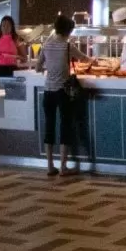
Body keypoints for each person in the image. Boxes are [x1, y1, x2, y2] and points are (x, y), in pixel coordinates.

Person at [39, 15, 82, 176]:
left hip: (48, 91)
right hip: (63, 91)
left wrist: (50, 67)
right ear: (68, 31)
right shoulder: (67, 46)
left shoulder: (46, 44)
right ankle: (63, 167)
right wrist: (93, 60)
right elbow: (84, 58)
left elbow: (37, 67)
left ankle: (50, 166)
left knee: (49, 127)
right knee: (65, 126)